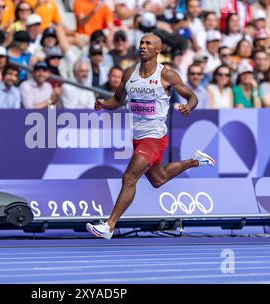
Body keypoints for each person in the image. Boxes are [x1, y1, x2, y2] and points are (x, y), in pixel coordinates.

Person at [86, 34, 215, 240]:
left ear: (158, 50)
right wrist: (103, 103)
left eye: (148, 44)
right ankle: (195, 160)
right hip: (137, 136)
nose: (143, 46)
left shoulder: (167, 75)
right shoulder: (129, 73)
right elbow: (118, 100)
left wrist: (187, 107)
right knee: (158, 179)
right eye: (141, 43)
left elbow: (192, 96)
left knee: (129, 178)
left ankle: (109, 226)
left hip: (155, 137)